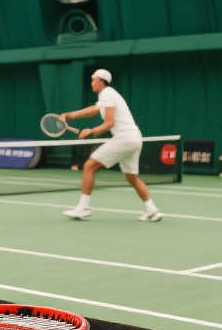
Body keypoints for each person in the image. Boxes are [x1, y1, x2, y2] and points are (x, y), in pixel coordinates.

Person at [60, 68, 162, 222]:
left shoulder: (107, 94)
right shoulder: (108, 94)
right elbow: (94, 109)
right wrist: (70, 115)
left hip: (124, 138)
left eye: (93, 79)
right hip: (135, 138)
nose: (91, 82)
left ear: (101, 81)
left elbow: (109, 123)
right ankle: (152, 210)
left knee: (89, 166)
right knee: (132, 178)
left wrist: (91, 131)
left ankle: (83, 208)